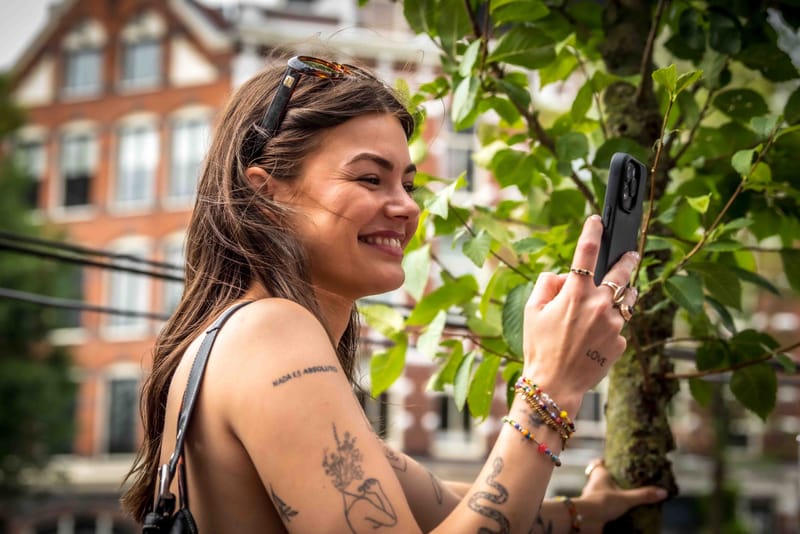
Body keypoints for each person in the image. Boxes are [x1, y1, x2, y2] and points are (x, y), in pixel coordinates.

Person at [122, 53, 666, 532]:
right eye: (368, 179)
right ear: (267, 197)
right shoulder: (270, 333)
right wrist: (550, 387)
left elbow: (452, 507)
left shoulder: (243, 340)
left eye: (407, 183)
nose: (407, 207)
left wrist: (582, 514)